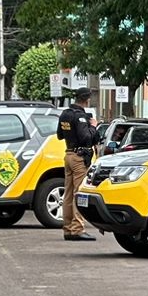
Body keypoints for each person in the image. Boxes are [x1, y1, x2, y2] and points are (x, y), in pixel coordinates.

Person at [57, 86, 102, 242]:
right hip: (79, 157)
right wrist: (94, 126)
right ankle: (77, 229)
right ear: (86, 99)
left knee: (68, 194)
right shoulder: (80, 116)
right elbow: (86, 138)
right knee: (78, 193)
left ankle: (68, 228)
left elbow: (59, 135)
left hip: (68, 154)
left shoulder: (65, 114)